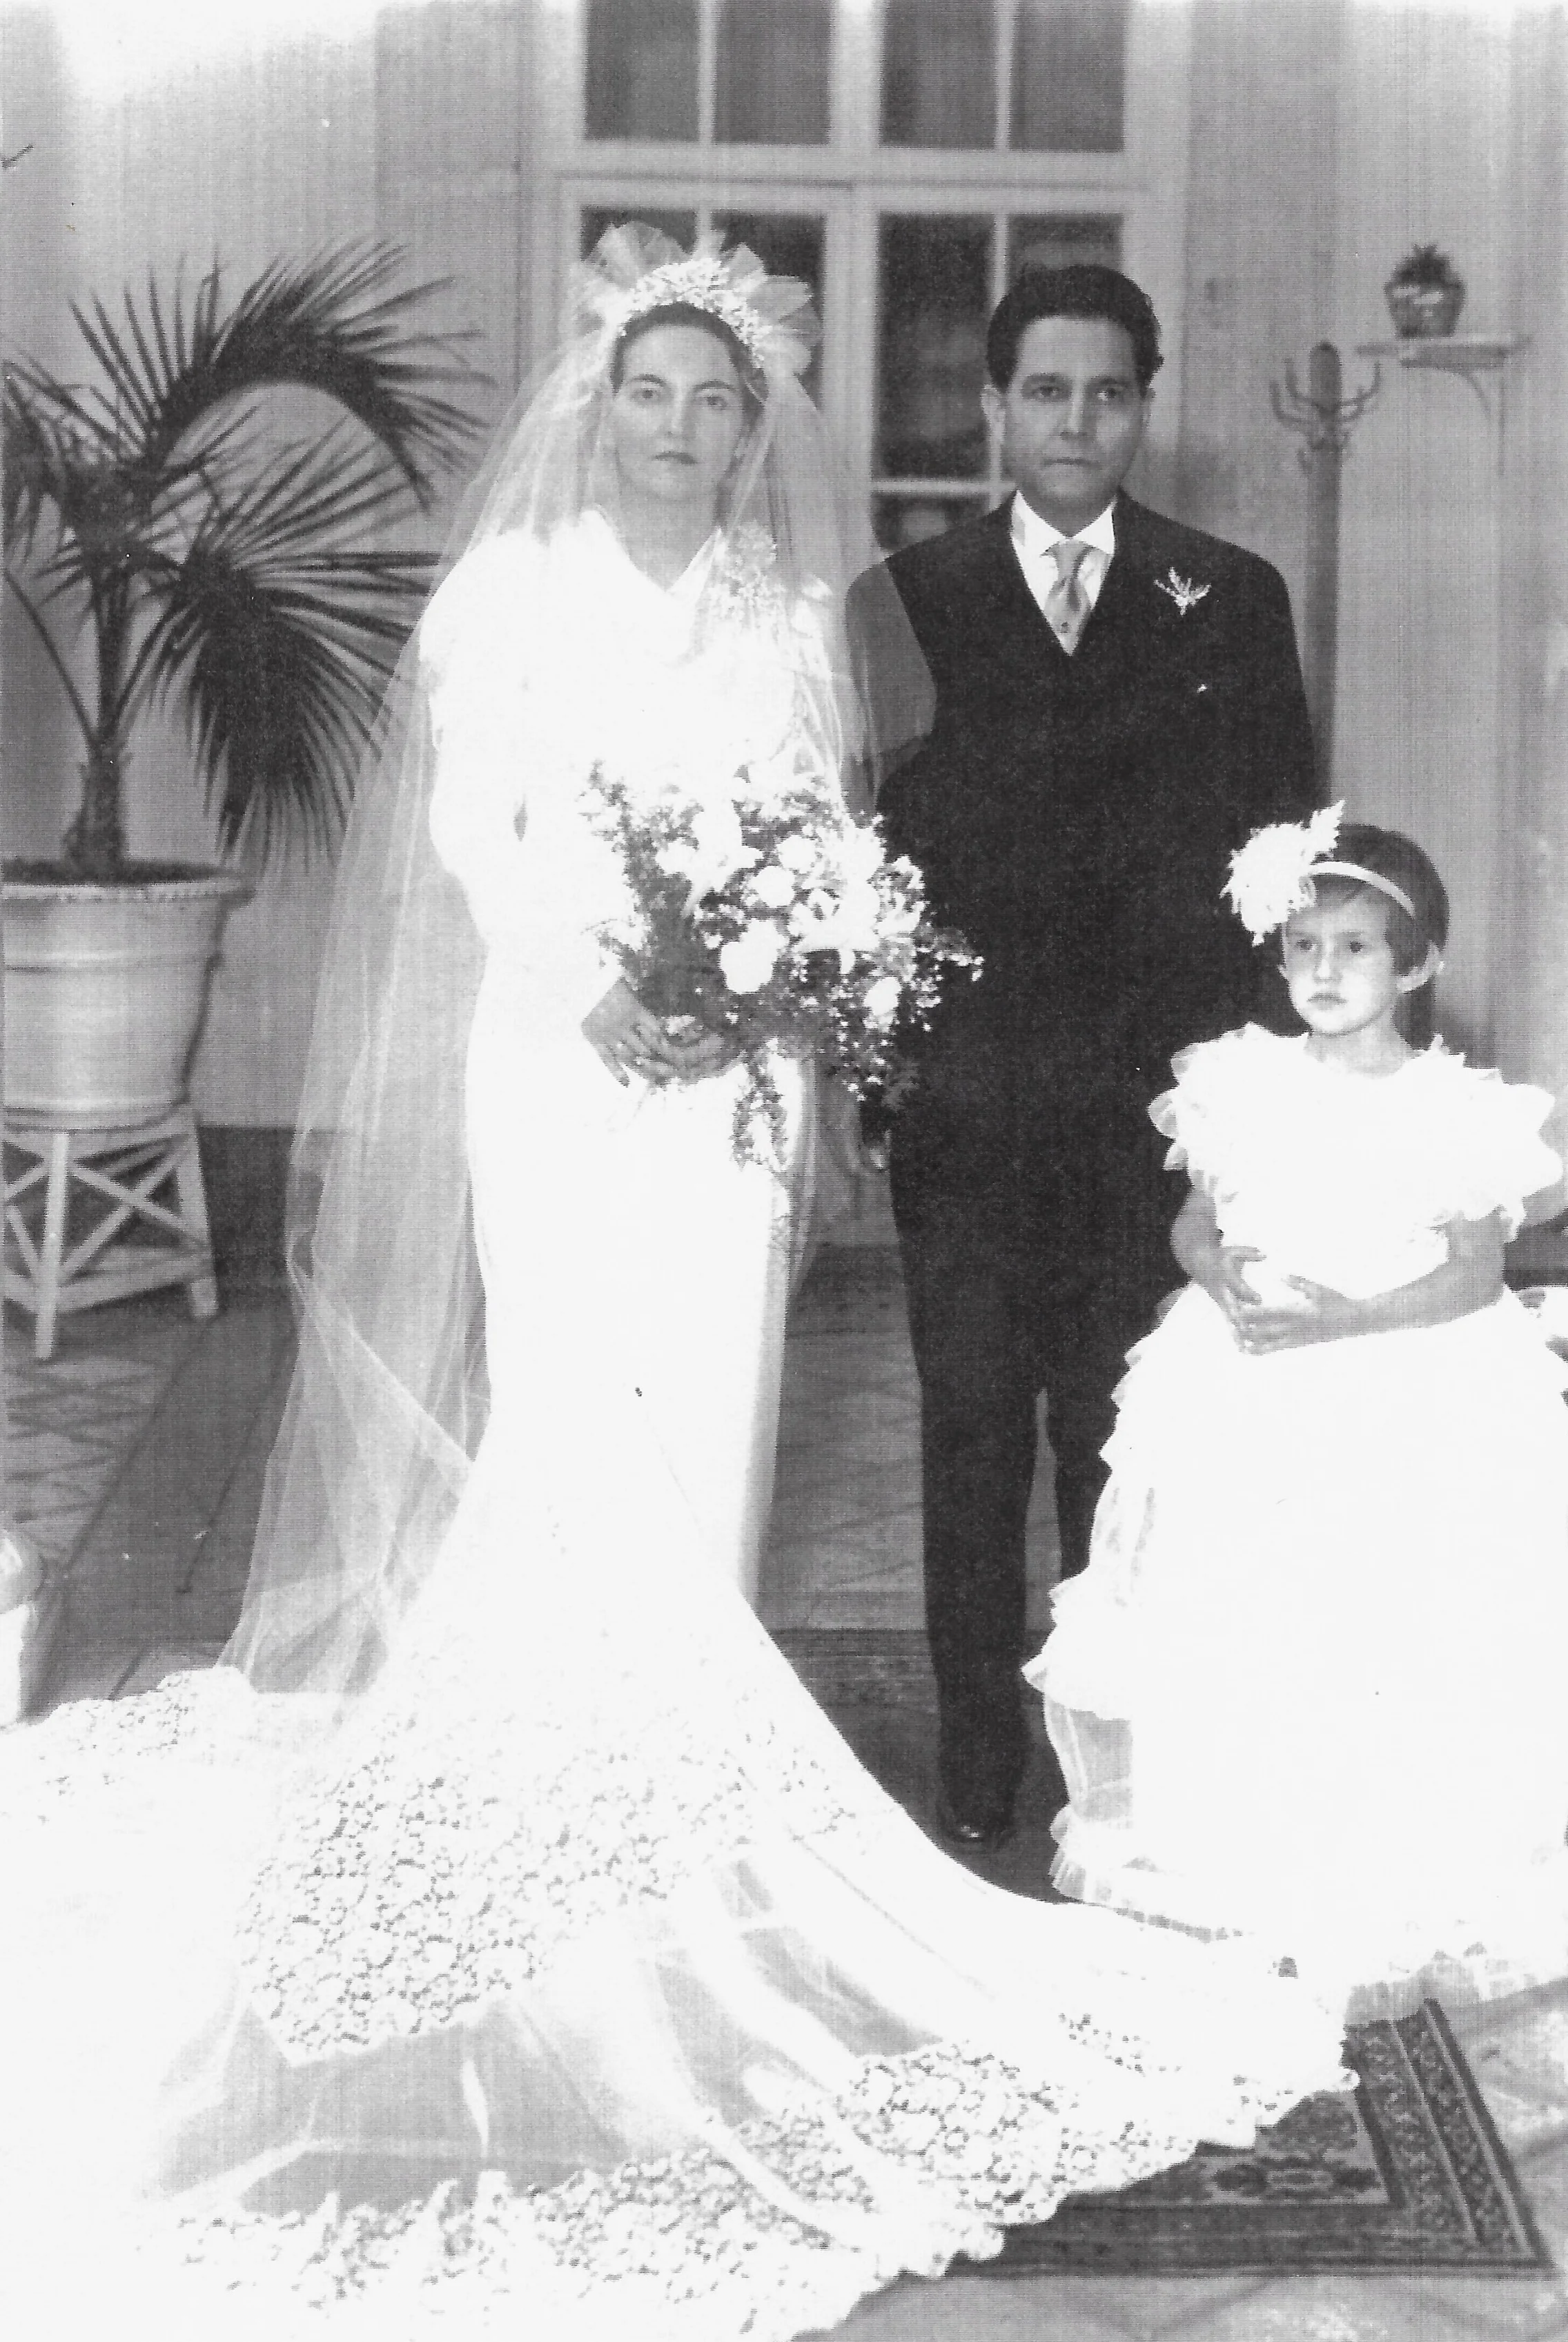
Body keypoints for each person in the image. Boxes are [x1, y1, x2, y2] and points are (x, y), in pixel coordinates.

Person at [0, 231, 1345, 2337]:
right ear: (598, 400)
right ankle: (538, 1788)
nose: (691, 431)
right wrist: (603, 978)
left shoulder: (792, 619)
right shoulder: (506, 597)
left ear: (757, 436)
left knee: (712, 1419)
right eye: (658, 395)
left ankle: (689, 1814)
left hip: (729, 1085)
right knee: (574, 1413)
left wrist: (781, 1045)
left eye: (726, 406)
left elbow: (821, 842)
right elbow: (477, 830)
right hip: (558, 1064)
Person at [865, 262, 1319, 1851]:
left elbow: (1277, 870)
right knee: (970, 1436)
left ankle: (1102, 1771)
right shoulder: (898, 600)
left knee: (1119, 1449)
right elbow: (859, 862)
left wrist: (1246, 1122)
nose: (1075, 420)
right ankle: (979, 1764)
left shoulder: (1228, 593)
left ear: (1144, 404)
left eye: (1107, 391)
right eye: (1044, 390)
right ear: (992, 407)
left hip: (1146, 1115)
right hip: (969, 1113)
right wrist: (885, 1076)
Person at [1030, 812, 1568, 2019]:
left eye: (1357, 950)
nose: (1323, 973)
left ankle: (1383, 1858)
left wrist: (1334, 1326)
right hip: (1247, 1371)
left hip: (1399, 1369)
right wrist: (1220, 1281)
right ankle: (1240, 1844)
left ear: (1416, 967)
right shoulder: (1239, 1079)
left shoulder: (1461, 1110)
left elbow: (1475, 1275)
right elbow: (1197, 1224)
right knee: (1237, 1599)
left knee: (1380, 1615)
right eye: (1304, 949)